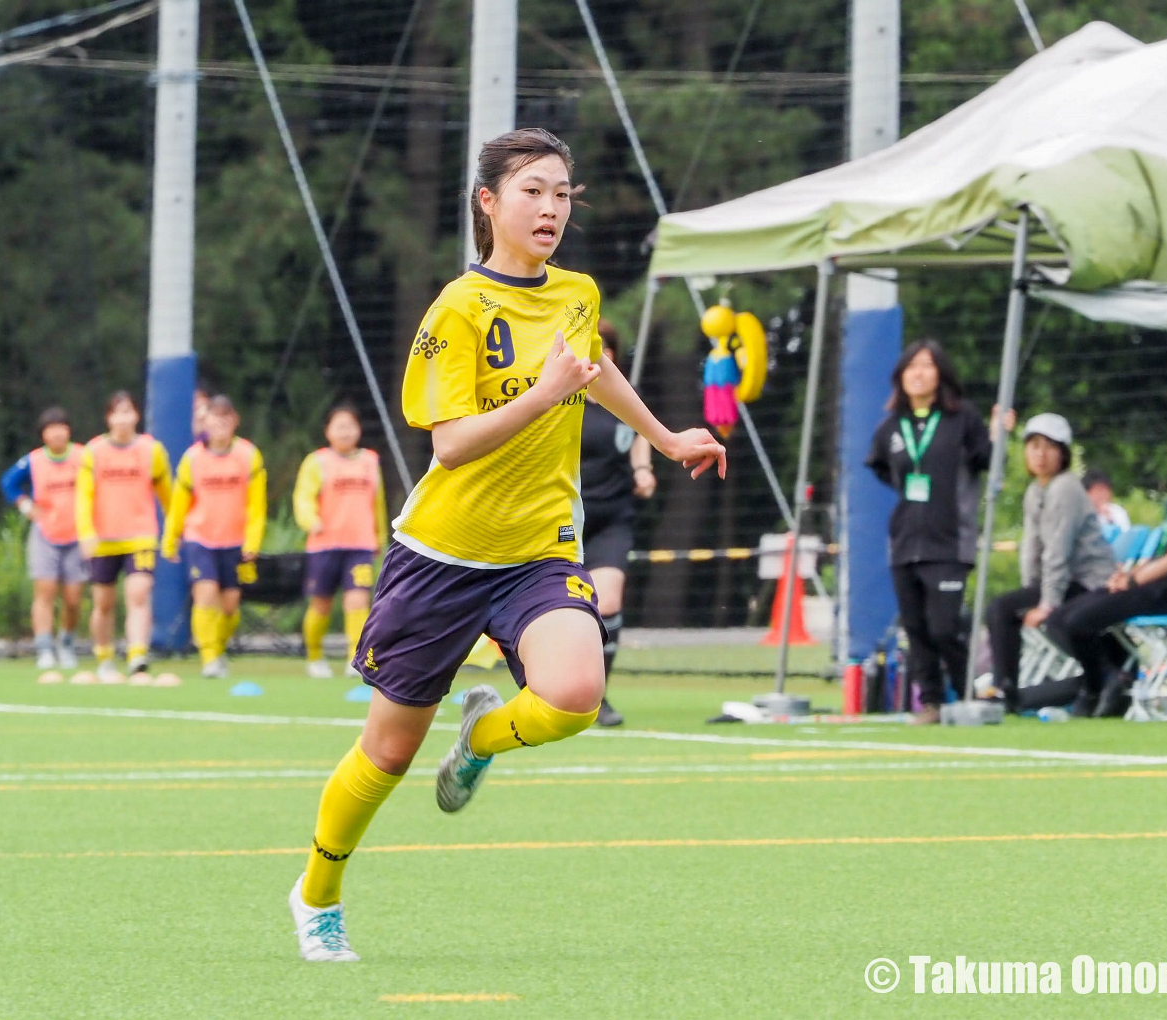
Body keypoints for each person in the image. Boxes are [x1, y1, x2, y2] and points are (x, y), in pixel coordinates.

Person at [287, 127, 725, 962]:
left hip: (538, 549)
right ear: (489, 203)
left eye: (563, 192)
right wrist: (546, 390)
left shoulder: (578, 293)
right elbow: (450, 443)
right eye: (533, 191)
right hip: (442, 557)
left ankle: (482, 737)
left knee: (574, 693)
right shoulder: (456, 308)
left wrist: (666, 439)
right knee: (387, 752)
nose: (551, 208)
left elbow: (592, 366)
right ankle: (319, 892)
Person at [866, 340, 1011, 725]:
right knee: (914, 628)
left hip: (948, 541)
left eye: (927, 366)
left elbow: (987, 460)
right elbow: (882, 467)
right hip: (904, 542)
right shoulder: (891, 426)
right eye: (912, 366)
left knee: (944, 627)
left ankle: (968, 693)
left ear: (941, 374)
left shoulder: (962, 418)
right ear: (901, 376)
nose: (919, 373)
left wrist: (999, 434)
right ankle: (930, 703)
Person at [1039, 422, 1167, 717]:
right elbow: (1164, 548)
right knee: (1059, 618)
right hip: (1150, 583)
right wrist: (1127, 573)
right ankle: (1113, 676)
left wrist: (1134, 578)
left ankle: (1097, 687)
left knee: (1078, 621)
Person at [984, 414, 1115, 709]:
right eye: (1033, 446)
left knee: (1001, 609)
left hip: (1088, 582)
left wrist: (1046, 603)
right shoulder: (1035, 491)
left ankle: (1006, 690)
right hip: (1064, 581)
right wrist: (1030, 590)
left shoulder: (1065, 487)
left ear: (1063, 453)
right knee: (1002, 608)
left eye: (1049, 447)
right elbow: (1031, 547)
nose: (1040, 455)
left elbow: (1058, 550)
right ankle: (1006, 688)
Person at [579, 320, 656, 727]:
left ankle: (598, 699)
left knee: (607, 603)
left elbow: (641, 434)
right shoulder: (560, 397)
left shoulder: (626, 398)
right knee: (565, 611)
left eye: (607, 349)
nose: (601, 356)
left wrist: (643, 469)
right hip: (562, 518)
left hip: (613, 515)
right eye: (595, 348)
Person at [161, 395, 266, 678]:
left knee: (230, 605)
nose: (220, 424)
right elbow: (179, 504)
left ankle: (218, 646)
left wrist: (253, 542)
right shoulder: (192, 459)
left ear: (235, 421)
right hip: (200, 539)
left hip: (235, 541)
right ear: (204, 422)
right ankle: (209, 657)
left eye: (226, 418)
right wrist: (171, 539)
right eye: (214, 418)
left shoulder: (248, 455)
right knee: (205, 594)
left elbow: (257, 507)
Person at [76, 391, 172, 682]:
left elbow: (167, 493)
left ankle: (137, 656)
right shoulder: (94, 452)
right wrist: (86, 533)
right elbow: (83, 497)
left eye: (128, 412)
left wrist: (176, 529)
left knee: (138, 593)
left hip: (140, 535)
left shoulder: (151, 450)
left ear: (136, 416)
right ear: (108, 418)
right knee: (103, 602)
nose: (123, 418)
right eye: (117, 413)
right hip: (104, 539)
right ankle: (104, 656)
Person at [293, 403, 385, 679]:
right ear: (328, 431)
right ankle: (314, 657)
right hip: (324, 545)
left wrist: (379, 535)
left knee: (357, 602)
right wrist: (311, 520)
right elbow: (302, 497)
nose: (345, 432)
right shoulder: (317, 461)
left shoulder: (370, 460)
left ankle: (353, 659)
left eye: (350, 426)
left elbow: (376, 502)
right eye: (339, 426)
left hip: (360, 545)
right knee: (320, 603)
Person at [1, 407, 86, 671]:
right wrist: (27, 507)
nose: (57, 433)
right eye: (51, 428)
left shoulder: (84, 456)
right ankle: (44, 648)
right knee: (45, 592)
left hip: (78, 535)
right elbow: (8, 483)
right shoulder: (34, 461)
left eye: (61, 427)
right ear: (43, 434)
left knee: (73, 598)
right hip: (46, 535)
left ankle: (67, 642)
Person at [1082, 468, 1131, 541]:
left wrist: (1109, 518)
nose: (1103, 495)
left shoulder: (1118, 512)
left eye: (1106, 490)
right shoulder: (1081, 513)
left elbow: (1126, 538)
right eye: (1098, 490)